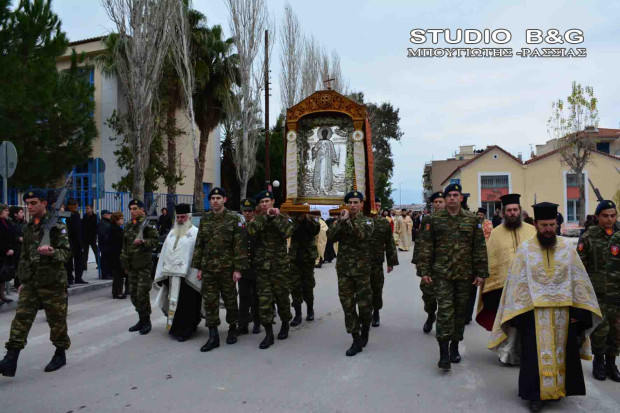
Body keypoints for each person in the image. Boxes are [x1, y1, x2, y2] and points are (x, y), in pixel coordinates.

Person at [489, 202, 602, 412]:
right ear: (537, 225)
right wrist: (520, 314)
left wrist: (579, 312)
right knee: (532, 356)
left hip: (563, 315)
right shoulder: (525, 250)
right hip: (534, 314)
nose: (548, 229)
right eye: (544, 225)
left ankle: (557, 390)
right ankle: (535, 396)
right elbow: (516, 283)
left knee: (563, 353)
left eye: (551, 225)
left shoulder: (567, 249)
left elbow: (578, 282)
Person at [0, 189, 72, 377]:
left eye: (33, 203)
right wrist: (22, 281)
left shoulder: (57, 225)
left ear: (44, 204)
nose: (29, 207)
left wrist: (52, 252)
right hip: (32, 282)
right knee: (21, 318)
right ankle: (11, 358)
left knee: (56, 321)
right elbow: (24, 256)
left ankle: (60, 353)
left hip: (53, 282)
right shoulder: (28, 227)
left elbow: (66, 253)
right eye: (28, 203)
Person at [416, 183, 488, 370]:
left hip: (465, 275)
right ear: (445, 199)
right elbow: (425, 246)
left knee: (460, 312)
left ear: (461, 198)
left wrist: (481, 273)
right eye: (449, 196)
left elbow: (479, 248)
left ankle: (455, 345)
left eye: (456, 195)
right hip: (442, 275)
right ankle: (443, 353)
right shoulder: (434, 219)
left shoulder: (472, 220)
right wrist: (424, 271)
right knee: (446, 312)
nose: (452, 198)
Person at [476, 194, 536, 365]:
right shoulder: (495, 234)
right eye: (509, 210)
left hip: (529, 286)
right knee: (508, 322)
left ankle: (526, 352)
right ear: (503, 213)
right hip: (504, 286)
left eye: (515, 210)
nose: (512, 213)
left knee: (526, 322)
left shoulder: (531, 231)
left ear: (520, 211)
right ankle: (507, 352)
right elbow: (491, 259)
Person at [192, 188, 248, 352]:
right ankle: (213, 335)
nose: (215, 201)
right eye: (213, 198)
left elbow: (240, 246)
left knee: (230, 300)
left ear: (224, 200)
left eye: (218, 198)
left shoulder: (234, 219)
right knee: (210, 302)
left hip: (227, 269)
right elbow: (200, 244)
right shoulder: (205, 219)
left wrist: (238, 269)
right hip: (209, 268)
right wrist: (199, 267)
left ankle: (232, 328)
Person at [327, 191, 374, 356]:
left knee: (364, 305)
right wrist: (340, 222)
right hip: (344, 270)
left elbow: (361, 235)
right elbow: (330, 237)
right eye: (350, 202)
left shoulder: (368, 221)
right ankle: (355, 338)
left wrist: (347, 222)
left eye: (356, 202)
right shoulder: (341, 220)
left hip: (362, 271)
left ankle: (365, 329)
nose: (353, 205)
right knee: (347, 305)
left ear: (361, 204)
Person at [577, 200, 619, 381]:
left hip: (617, 294)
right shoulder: (588, 237)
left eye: (613, 215)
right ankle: (599, 361)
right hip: (597, 293)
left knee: (617, 331)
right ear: (597, 217)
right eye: (605, 216)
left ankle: (612, 363)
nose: (609, 219)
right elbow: (579, 267)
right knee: (601, 330)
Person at [248, 190, 293, 349]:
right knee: (264, 301)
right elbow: (251, 230)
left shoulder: (283, 218)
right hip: (262, 268)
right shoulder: (258, 219)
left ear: (273, 201)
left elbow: (287, 232)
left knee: (282, 298)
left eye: (267, 201)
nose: (265, 204)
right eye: (262, 202)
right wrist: (266, 217)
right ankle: (268, 333)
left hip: (279, 267)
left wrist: (276, 218)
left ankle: (285, 323)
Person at [154, 204, 202, 342]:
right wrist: (163, 271)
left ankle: (188, 329)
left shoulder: (195, 232)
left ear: (189, 217)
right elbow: (164, 253)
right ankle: (176, 328)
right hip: (172, 275)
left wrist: (200, 270)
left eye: (183, 217)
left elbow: (199, 253)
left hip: (188, 277)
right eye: (178, 217)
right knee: (176, 303)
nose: (180, 219)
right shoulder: (172, 232)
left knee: (188, 304)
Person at [121, 199, 158, 335]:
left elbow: (155, 241)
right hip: (131, 266)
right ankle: (141, 319)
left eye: (135, 208)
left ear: (142, 210)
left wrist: (143, 242)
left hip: (144, 266)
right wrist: (124, 264)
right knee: (134, 296)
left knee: (142, 294)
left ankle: (146, 321)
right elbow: (124, 246)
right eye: (131, 209)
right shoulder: (128, 225)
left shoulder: (148, 224)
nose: (132, 211)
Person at [413, 191, 445, 333]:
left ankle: (444, 327)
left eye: (440, 201)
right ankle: (431, 314)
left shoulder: (451, 219)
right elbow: (421, 241)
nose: (438, 204)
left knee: (445, 298)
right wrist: (418, 262)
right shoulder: (427, 220)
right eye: (436, 202)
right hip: (430, 264)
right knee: (427, 294)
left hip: (446, 265)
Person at [368, 197, 398, 327]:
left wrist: (391, 262)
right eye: (376, 205)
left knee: (377, 288)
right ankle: (365, 313)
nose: (378, 207)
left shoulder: (384, 223)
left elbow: (390, 243)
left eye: (380, 205)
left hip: (376, 262)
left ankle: (376, 312)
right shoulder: (362, 221)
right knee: (363, 290)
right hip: (361, 262)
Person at [289, 212, 320, 327]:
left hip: (308, 257)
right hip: (295, 257)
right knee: (294, 286)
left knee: (308, 285)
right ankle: (297, 314)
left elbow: (315, 231)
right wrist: (297, 219)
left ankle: (310, 309)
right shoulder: (292, 218)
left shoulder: (313, 217)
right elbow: (289, 232)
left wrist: (308, 219)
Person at [238, 198, 261, 335]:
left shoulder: (258, 224)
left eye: (250, 211)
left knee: (257, 298)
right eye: (245, 211)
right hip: (243, 267)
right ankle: (243, 325)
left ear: (254, 211)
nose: (247, 213)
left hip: (257, 266)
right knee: (244, 297)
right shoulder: (238, 226)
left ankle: (257, 323)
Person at [606, 227, 620, 382]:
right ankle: (606, 362)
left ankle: (610, 363)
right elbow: (613, 270)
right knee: (613, 329)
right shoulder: (617, 239)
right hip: (614, 292)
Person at [64, 198, 86, 285]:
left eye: (76, 206)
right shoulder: (65, 214)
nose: (76, 207)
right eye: (73, 206)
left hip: (78, 240)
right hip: (69, 239)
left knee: (79, 259)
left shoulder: (76, 214)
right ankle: (69, 278)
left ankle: (78, 277)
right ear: (69, 206)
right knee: (69, 260)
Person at [0, 204, 16, 305]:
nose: (7, 212)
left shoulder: (7, 222)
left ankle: (2, 296)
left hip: (6, 253)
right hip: (1, 252)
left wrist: (11, 249)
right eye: (5, 211)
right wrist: (5, 250)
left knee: (2, 276)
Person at [109, 212, 126, 299]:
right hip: (117, 254)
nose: (123, 220)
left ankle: (115, 292)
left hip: (113, 254)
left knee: (116, 274)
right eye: (121, 218)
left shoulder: (111, 228)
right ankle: (118, 292)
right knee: (119, 274)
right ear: (116, 220)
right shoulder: (117, 230)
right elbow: (121, 242)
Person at [81, 204, 99, 271]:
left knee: (96, 251)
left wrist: (95, 234)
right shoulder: (85, 216)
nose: (86, 210)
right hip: (85, 237)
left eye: (88, 208)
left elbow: (97, 227)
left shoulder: (95, 217)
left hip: (92, 237)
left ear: (91, 209)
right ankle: (84, 266)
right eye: (86, 208)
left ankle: (99, 264)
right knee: (85, 252)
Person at [98, 210, 112, 279]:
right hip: (105, 245)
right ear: (104, 215)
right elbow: (102, 234)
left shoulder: (108, 222)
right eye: (108, 214)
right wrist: (109, 239)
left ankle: (109, 273)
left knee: (109, 259)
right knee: (105, 260)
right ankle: (105, 274)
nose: (109, 215)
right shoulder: (102, 223)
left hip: (108, 245)